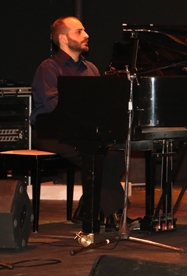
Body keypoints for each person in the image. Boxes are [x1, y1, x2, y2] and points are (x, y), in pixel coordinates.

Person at [30, 16, 126, 230]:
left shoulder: (90, 68)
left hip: (83, 131)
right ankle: (115, 214)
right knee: (99, 155)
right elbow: (51, 106)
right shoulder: (49, 68)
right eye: (79, 31)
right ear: (63, 38)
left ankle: (87, 208)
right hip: (52, 133)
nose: (86, 35)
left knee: (115, 153)